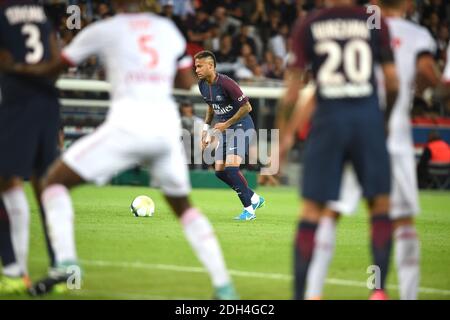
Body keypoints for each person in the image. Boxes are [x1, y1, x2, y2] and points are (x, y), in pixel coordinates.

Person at [7, 0, 238, 299]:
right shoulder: (167, 28)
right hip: (165, 128)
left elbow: (56, 66)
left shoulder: (104, 29)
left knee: (54, 183)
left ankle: (65, 262)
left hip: (127, 125)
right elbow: (183, 81)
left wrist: (18, 70)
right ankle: (224, 287)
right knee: (184, 208)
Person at [298, 0, 443, 300]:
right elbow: (428, 76)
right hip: (395, 136)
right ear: (407, 4)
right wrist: (425, 90)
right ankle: (392, 293)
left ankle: (312, 292)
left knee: (329, 211)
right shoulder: (417, 36)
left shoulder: (359, 28)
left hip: (349, 128)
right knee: (400, 220)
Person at [278, 0, 399, 300]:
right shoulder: (373, 20)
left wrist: (282, 140)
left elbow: (292, 92)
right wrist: (381, 120)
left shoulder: (309, 24)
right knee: (380, 207)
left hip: (328, 121)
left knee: (311, 211)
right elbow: (393, 82)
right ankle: (379, 290)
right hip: (366, 118)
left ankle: (299, 295)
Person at [0, 0, 59, 294]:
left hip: (15, 103)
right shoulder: (41, 13)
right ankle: (60, 268)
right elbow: (57, 58)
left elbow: (5, 58)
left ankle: (12, 270)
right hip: (47, 103)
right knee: (45, 186)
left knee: (6, 182)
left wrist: (18, 72)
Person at [194, 50, 265, 221]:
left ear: (210, 66)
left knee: (232, 169)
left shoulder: (226, 83)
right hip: (226, 130)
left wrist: (226, 124)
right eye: (195, 66)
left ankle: (249, 211)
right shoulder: (202, 84)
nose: (196, 70)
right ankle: (254, 199)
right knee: (219, 171)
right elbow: (211, 107)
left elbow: (247, 107)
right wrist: (205, 130)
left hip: (241, 127)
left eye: (199, 66)